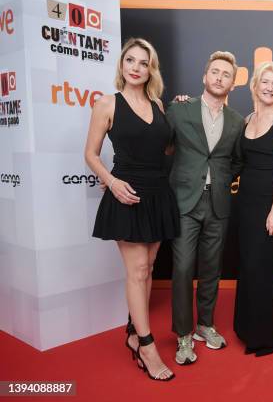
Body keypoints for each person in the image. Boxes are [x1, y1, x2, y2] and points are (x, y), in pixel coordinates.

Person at [85, 38, 178, 381]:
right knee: (138, 270)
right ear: (122, 65)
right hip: (126, 194)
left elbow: (165, 149)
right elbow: (91, 154)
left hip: (157, 192)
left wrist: (179, 108)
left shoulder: (159, 104)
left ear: (151, 69)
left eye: (144, 62)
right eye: (131, 60)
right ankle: (146, 345)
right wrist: (110, 181)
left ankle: (131, 332)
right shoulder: (107, 103)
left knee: (149, 266)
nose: (136, 67)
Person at [166, 51, 244, 365]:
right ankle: (184, 335)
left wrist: (223, 179)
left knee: (212, 269)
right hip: (185, 200)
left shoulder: (238, 121)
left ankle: (205, 324)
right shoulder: (179, 109)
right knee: (183, 269)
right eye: (215, 72)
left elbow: (237, 159)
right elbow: (161, 144)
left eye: (226, 74)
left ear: (232, 84)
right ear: (204, 76)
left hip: (219, 202)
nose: (219, 78)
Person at [233, 61, 273, 357]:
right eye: (265, 82)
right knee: (247, 266)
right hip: (245, 202)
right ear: (255, 85)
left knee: (264, 269)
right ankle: (246, 329)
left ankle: (266, 335)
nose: (269, 88)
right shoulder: (248, 118)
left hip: (268, 204)